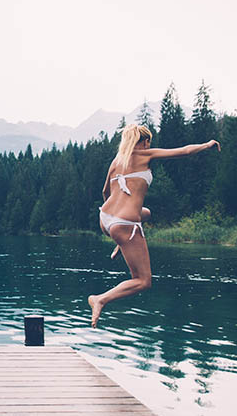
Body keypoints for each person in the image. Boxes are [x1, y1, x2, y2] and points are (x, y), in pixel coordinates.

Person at [89, 124, 220, 327]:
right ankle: (100, 299)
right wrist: (206, 145)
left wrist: (114, 224)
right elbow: (183, 151)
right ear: (145, 141)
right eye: (148, 141)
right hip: (124, 224)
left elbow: (105, 192)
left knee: (147, 213)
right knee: (143, 281)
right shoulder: (145, 154)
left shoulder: (117, 161)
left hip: (105, 218)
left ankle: (121, 243)